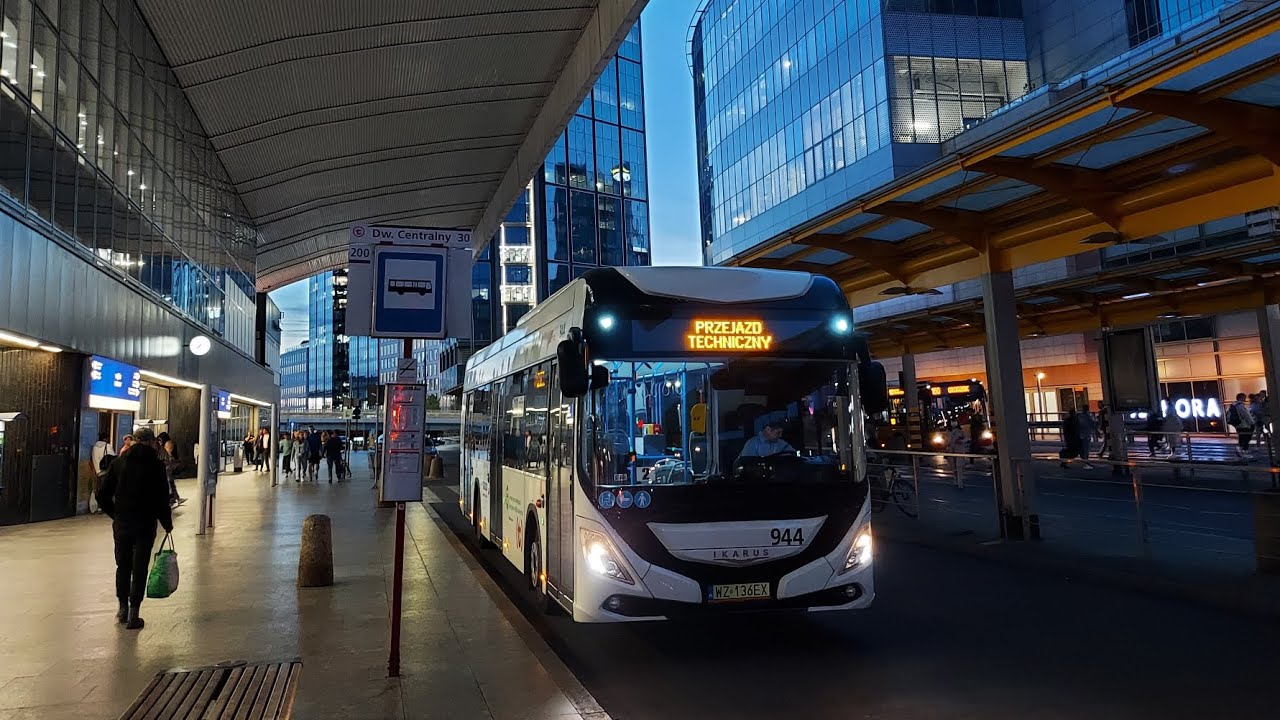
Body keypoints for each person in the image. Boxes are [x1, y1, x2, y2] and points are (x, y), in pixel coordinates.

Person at [95, 427, 173, 630]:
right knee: (140, 567)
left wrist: (115, 514)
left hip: (122, 524)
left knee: (123, 566)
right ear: (149, 442)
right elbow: (161, 498)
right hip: (145, 524)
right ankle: (134, 613)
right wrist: (167, 523)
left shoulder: (118, 463)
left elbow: (102, 494)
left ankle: (121, 608)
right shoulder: (156, 466)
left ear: (134, 441)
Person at [90, 432, 115, 514]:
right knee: (106, 489)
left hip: (97, 471)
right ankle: (103, 506)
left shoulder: (94, 447)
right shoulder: (107, 446)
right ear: (106, 438)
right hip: (106, 471)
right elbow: (113, 457)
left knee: (98, 488)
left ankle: (98, 505)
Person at [157, 432, 184, 505]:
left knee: (169, 483)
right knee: (170, 483)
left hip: (167, 467)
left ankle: (173, 498)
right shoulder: (165, 445)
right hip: (167, 466)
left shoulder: (164, 446)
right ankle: (174, 498)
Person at [1228, 393, 1254, 459]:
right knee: (1246, 437)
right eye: (1244, 398)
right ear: (1242, 398)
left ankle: (1241, 450)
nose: (1245, 399)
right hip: (1244, 424)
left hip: (1237, 424)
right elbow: (1246, 415)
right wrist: (1252, 422)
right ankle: (1243, 451)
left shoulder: (1233, 405)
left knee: (1241, 437)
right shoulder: (1240, 406)